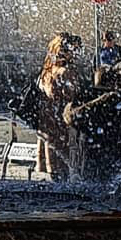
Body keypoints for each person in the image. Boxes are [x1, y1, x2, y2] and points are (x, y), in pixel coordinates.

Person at [65, 62, 121, 186]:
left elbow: (70, 117)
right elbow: (71, 116)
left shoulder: (86, 94)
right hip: (97, 152)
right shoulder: (112, 98)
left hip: (88, 151)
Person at [36, 33, 88, 181]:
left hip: (47, 120)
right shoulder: (65, 72)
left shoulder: (46, 70)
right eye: (73, 50)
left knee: (52, 159)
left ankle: (53, 174)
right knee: (64, 162)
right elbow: (72, 96)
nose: (76, 54)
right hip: (62, 121)